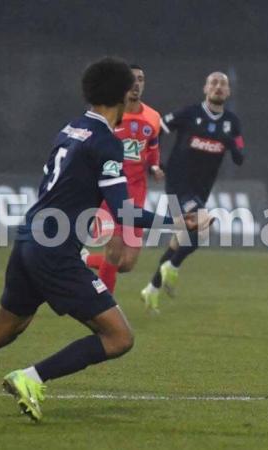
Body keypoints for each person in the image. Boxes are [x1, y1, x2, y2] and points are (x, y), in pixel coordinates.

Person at [0, 57, 206, 421]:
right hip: (55, 252)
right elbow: (125, 214)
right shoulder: (106, 142)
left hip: (28, 242)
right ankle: (31, 377)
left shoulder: (70, 129)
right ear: (120, 96)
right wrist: (180, 221)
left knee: (1, 329)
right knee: (119, 337)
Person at [140, 72, 245, 311]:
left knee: (183, 239)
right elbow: (155, 131)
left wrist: (230, 143)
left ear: (228, 92)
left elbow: (239, 156)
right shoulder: (189, 114)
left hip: (201, 190)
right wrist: (154, 163)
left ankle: (152, 288)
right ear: (205, 88)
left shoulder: (231, 122)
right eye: (214, 83)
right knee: (204, 228)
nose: (218, 87)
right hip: (178, 184)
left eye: (223, 84)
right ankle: (172, 267)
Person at [83, 64, 164, 294]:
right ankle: (105, 306)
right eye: (132, 79)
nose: (137, 83)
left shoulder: (153, 117)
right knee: (114, 249)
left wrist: (155, 166)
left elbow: (153, 148)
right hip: (109, 192)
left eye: (141, 78)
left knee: (126, 263)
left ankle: (84, 260)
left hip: (136, 194)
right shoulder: (108, 114)